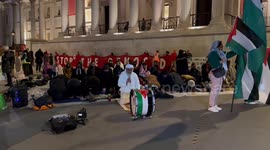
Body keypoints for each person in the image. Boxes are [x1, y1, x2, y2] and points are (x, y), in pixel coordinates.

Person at [207, 40, 235, 112]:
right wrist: (221, 62)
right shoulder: (213, 52)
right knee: (215, 89)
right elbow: (213, 62)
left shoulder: (220, 52)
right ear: (217, 45)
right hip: (215, 72)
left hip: (219, 72)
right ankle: (211, 105)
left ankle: (214, 104)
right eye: (221, 44)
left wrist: (236, 51)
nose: (222, 46)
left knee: (218, 89)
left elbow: (228, 55)